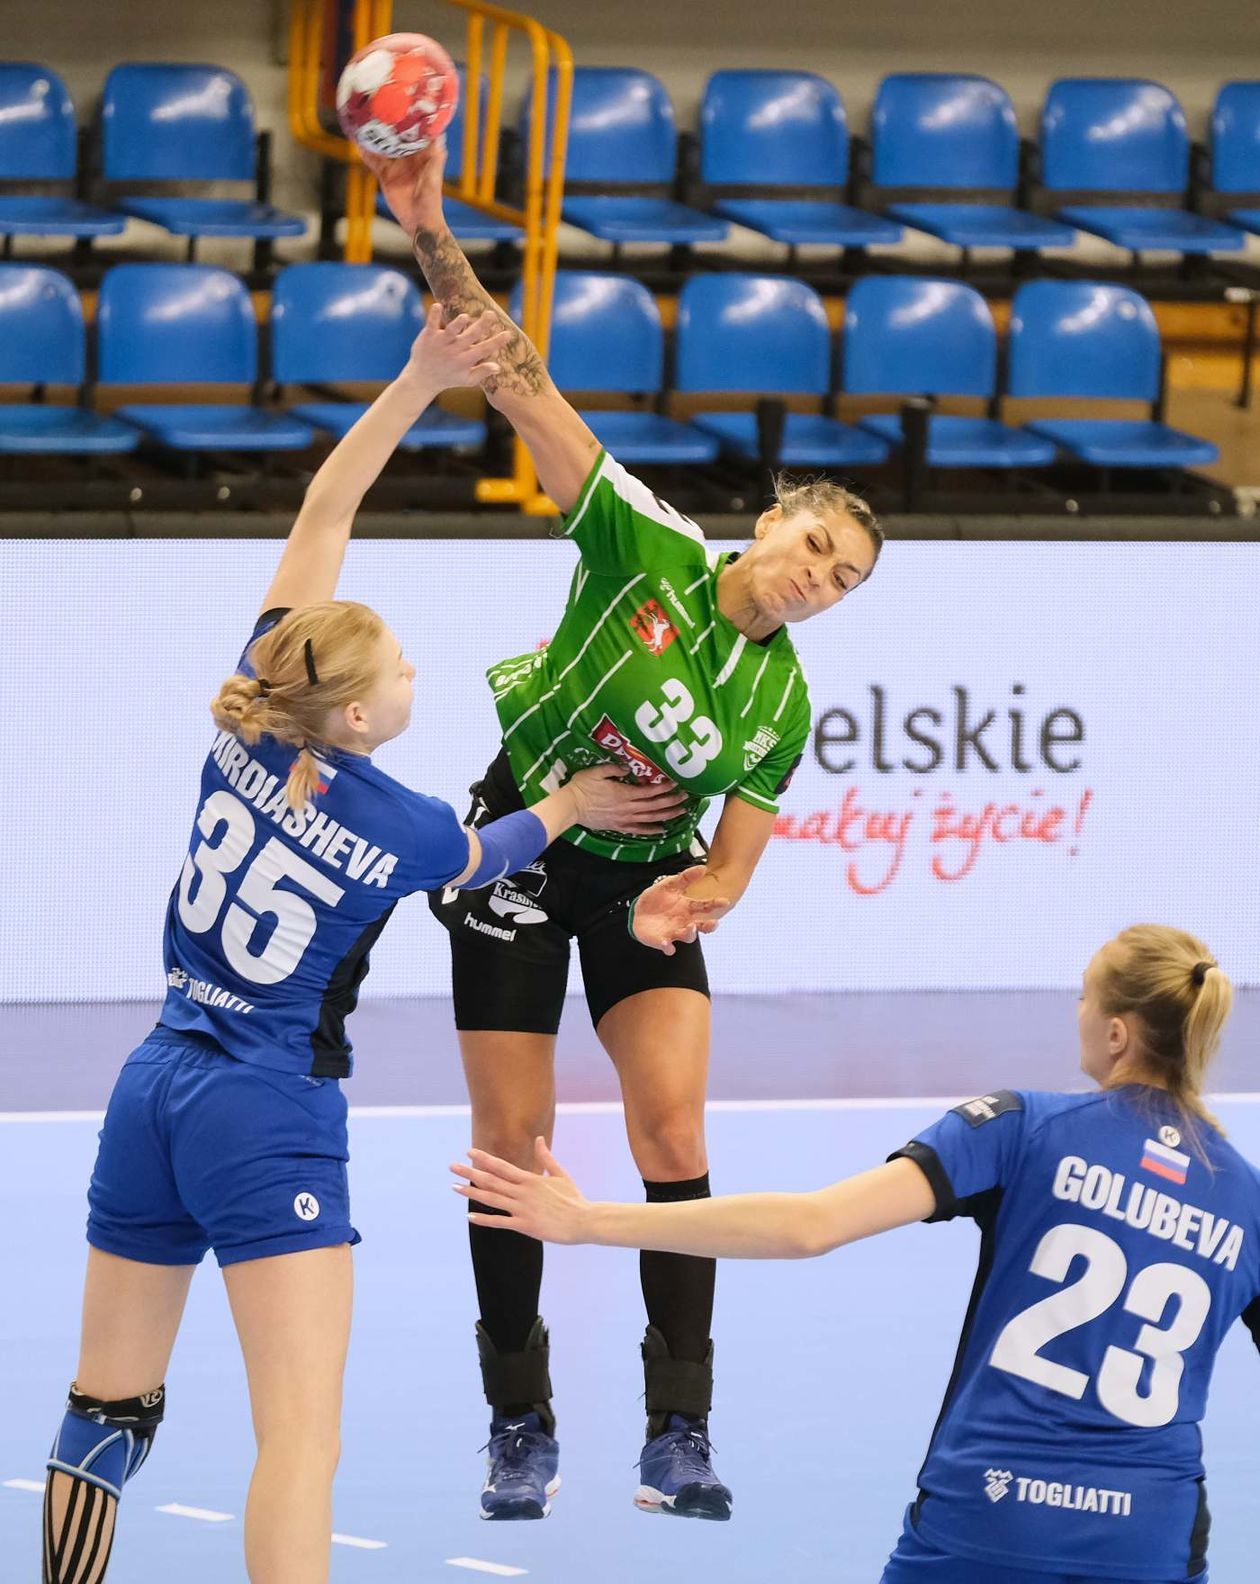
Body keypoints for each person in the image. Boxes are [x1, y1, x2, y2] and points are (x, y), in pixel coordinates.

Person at [41, 307, 702, 1584]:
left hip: (151, 1087)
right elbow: (492, 854)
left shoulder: (251, 708)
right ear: (354, 713)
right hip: (265, 1108)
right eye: (402, 669)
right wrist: (569, 806)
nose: (416, 674)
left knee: (108, 1409)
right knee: (301, 1443)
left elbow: (324, 514)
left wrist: (413, 383)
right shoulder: (397, 820)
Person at [367, 140, 884, 1522]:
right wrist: (431, 233)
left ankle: (680, 1433)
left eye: (843, 583)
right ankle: (518, 1419)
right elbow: (520, 378)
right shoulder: (643, 543)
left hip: (637, 885)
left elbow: (731, 860)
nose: (821, 584)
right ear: (770, 526)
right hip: (525, 853)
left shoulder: (782, 699)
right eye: (815, 551)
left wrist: (689, 903)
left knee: (670, 1131)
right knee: (515, 1142)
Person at [456, 924, 1256, 1583]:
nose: (1076, 1011)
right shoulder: (1245, 1200)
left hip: (985, 1519)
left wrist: (591, 1221)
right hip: (1147, 1537)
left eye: (1083, 997)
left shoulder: (1021, 1128)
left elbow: (809, 1225)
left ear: (1116, 1033)